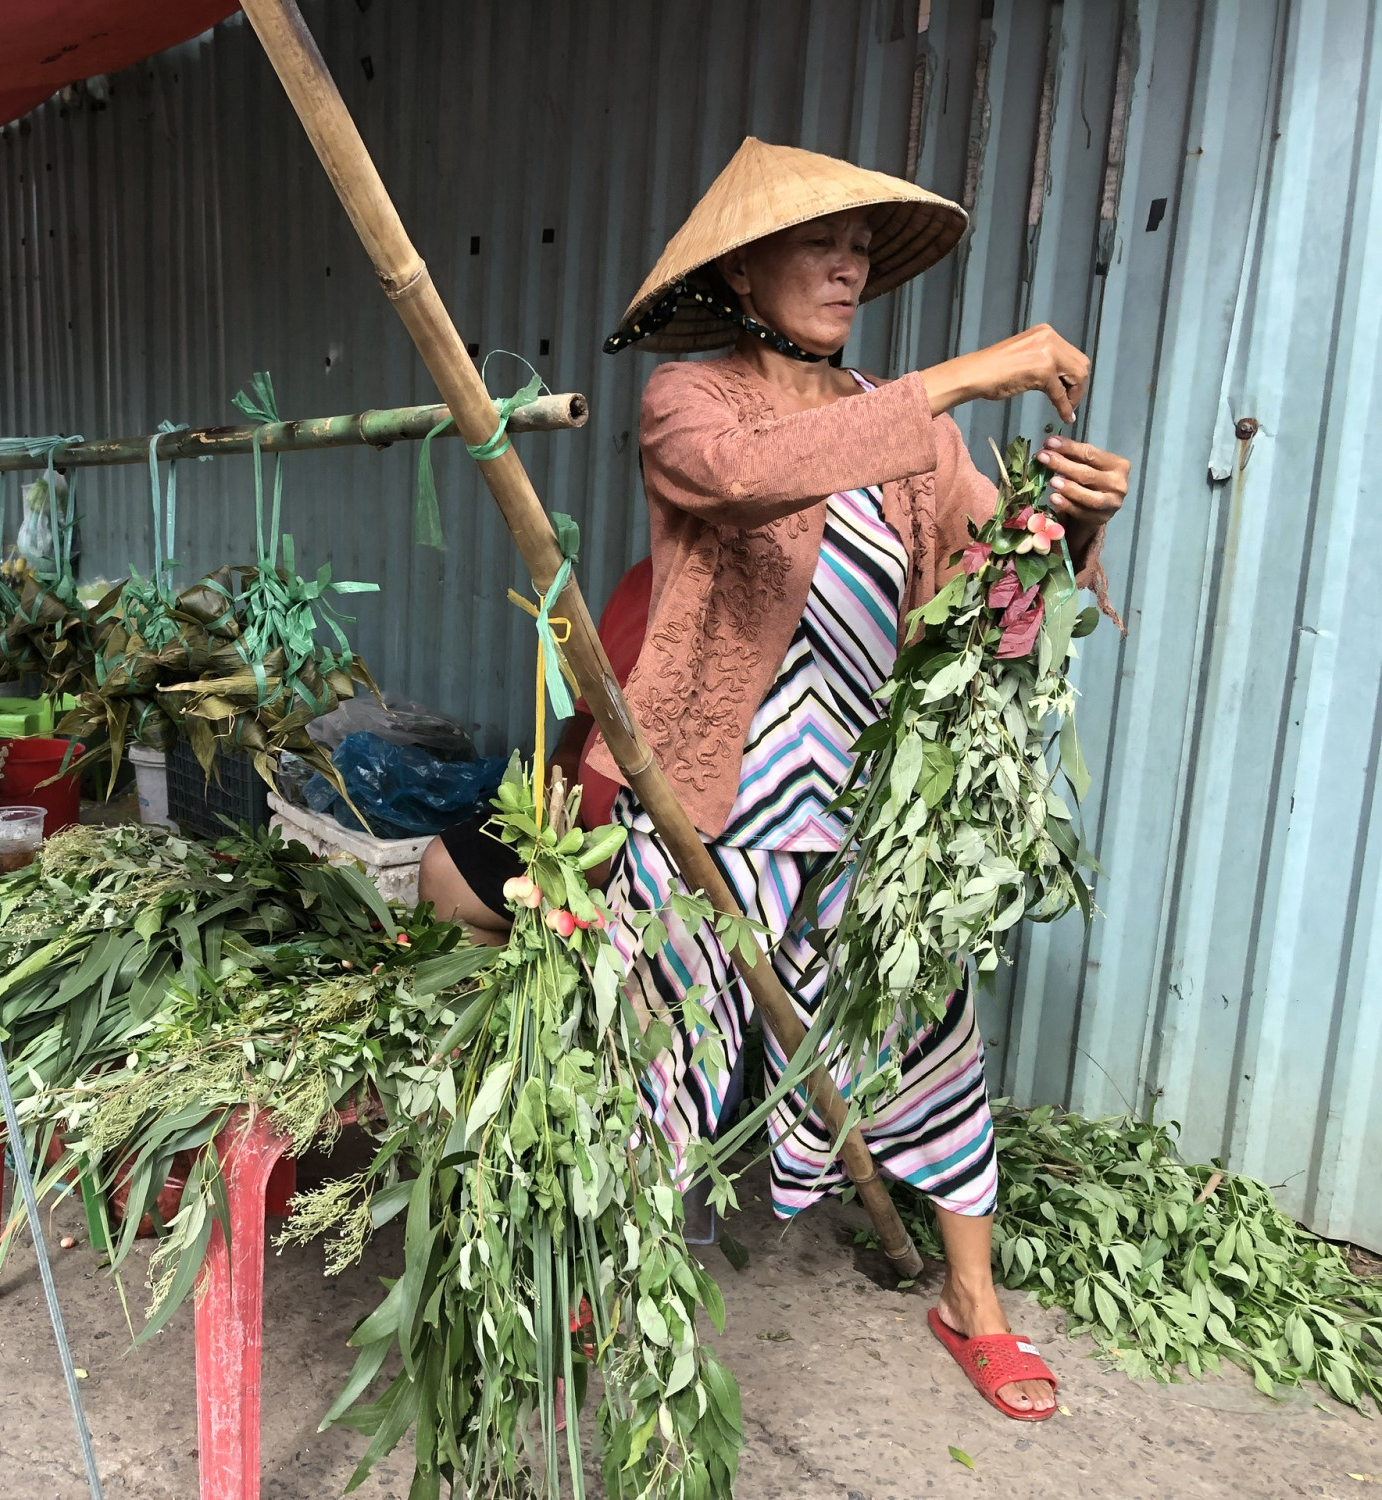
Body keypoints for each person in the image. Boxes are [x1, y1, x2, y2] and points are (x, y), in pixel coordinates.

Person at [590, 138, 1130, 1421]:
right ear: (740, 267)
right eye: (815, 243)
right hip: (708, 800)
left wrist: (1074, 530)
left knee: (924, 1036)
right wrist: (965, 378)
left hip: (864, 807)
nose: (844, 268)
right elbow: (739, 481)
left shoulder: (913, 438)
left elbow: (979, 619)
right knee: (655, 1033)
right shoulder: (691, 399)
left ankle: (975, 1306)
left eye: (858, 252)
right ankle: (602, 1278)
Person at [418, 556, 652, 943]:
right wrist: (566, 762)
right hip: (572, 831)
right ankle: (497, 1000)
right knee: (445, 870)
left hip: (647, 855)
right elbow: (588, 707)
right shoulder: (640, 581)